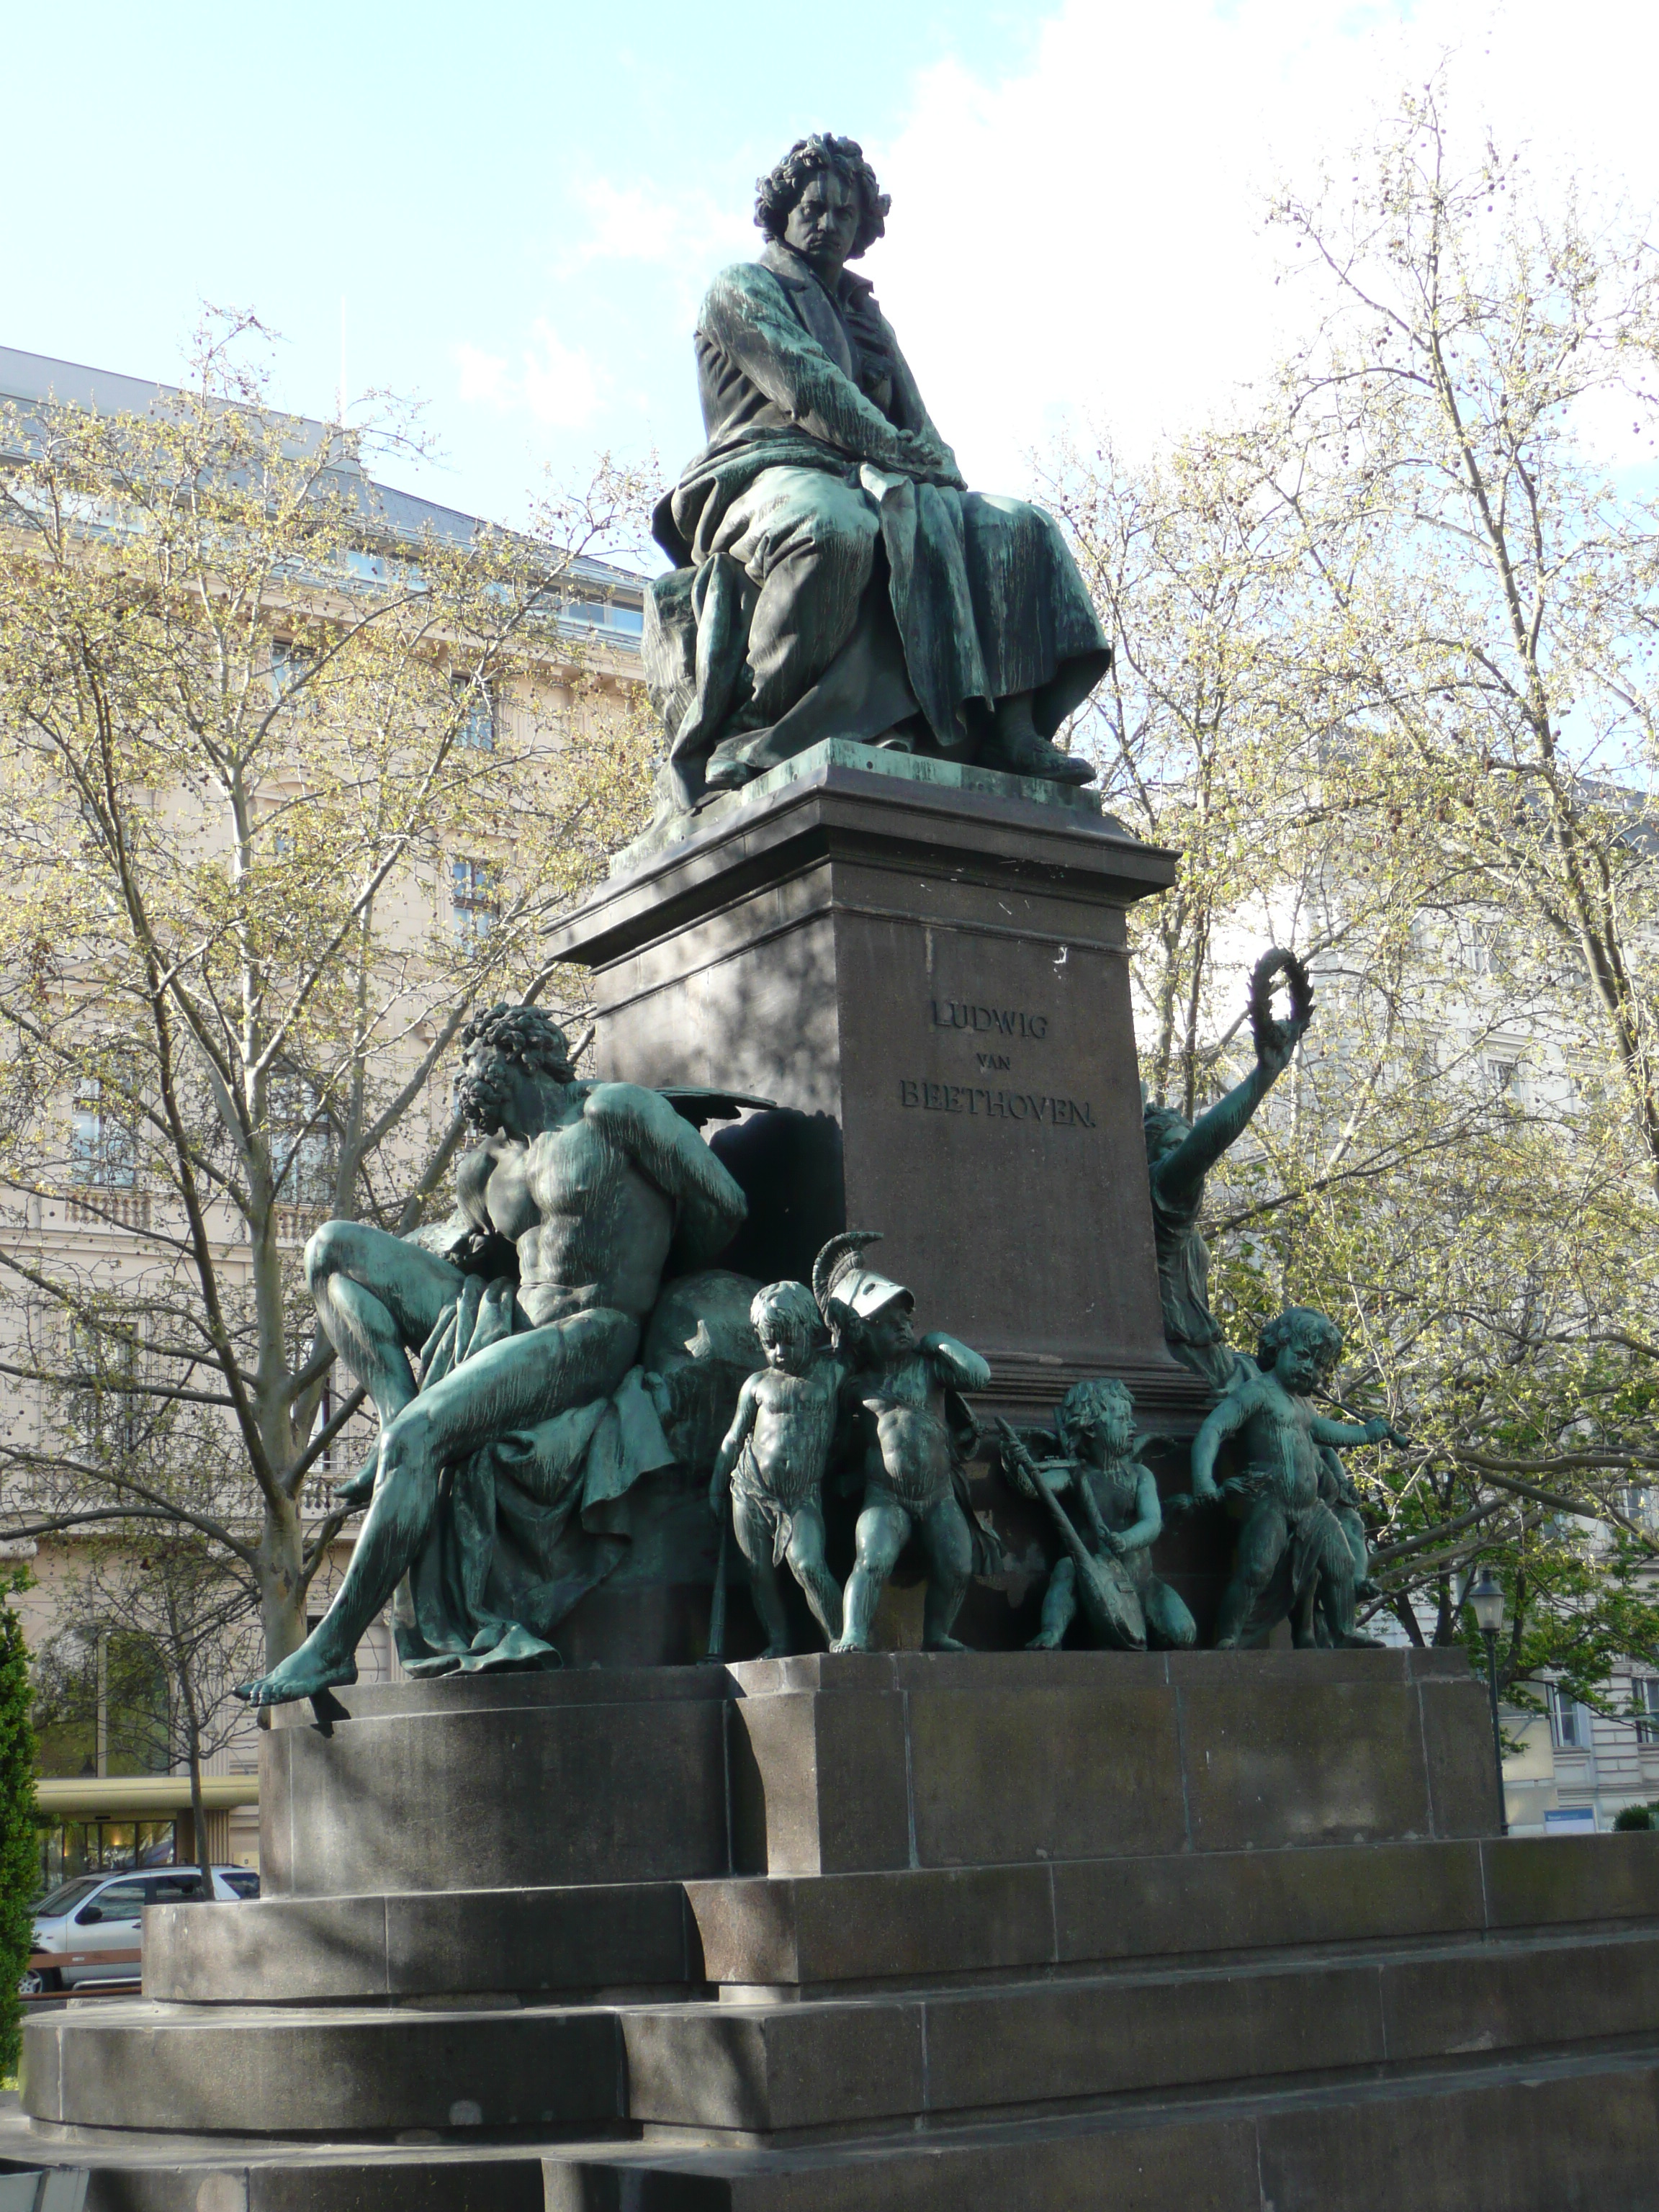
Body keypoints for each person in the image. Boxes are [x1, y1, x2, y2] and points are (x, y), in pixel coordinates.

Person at [235, 1002, 747, 1707]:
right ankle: (395, 1409)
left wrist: (658, 1281)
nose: (461, 1079)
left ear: (517, 1052)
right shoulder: (486, 1168)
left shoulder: (614, 1113)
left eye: (470, 1059)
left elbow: (725, 1204)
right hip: (504, 1315)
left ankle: (331, 1649)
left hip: (592, 1328)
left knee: (419, 1441)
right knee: (332, 1249)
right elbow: (461, 1245)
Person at [647, 133, 1113, 806]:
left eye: (846, 213)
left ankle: (1012, 729)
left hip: (876, 471)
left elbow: (920, 423)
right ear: (782, 212)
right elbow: (810, 388)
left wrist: (940, 473)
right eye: (814, 208)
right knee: (832, 529)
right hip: (762, 472)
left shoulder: (865, 316)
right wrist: (897, 451)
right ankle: (754, 725)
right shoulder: (740, 288)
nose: (829, 224)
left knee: (1018, 528)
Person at [815, 1233, 994, 1653]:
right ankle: (854, 1633)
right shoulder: (855, 1384)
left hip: (939, 1495)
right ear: (861, 1331)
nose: (903, 1327)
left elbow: (980, 1375)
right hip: (885, 1496)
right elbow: (831, 1435)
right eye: (888, 1321)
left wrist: (942, 1341)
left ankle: (937, 1634)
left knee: (957, 1564)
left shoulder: (930, 1368)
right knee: (871, 1559)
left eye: (907, 1320)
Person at [1144, 950, 1313, 1392]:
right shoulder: (1157, 1191)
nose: (1184, 1153)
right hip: (1183, 1367)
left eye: (1184, 1141)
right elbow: (1205, 1143)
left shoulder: (1178, 1225)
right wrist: (1263, 1076)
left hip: (1205, 1358)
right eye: (1172, 1145)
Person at [1190, 1306, 1402, 1649]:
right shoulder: (1258, 1391)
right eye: (1303, 1356)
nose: (1309, 1368)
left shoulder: (1304, 1405)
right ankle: (1228, 1636)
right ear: (1279, 1347)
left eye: (1318, 1364)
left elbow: (1326, 1432)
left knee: (1342, 1564)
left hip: (1310, 1507)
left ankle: (1343, 1631)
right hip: (1270, 1501)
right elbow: (1214, 1428)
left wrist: (1367, 1433)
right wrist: (1203, 1480)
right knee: (1256, 1570)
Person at [709, 1280, 844, 1655]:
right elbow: (733, 1439)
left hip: (801, 1496)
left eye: (788, 1341)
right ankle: (778, 1642)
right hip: (749, 1488)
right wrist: (716, 1487)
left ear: (810, 1330)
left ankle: (842, 1638)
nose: (780, 1352)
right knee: (758, 1572)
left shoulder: (833, 1374)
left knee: (808, 1564)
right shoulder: (757, 1384)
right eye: (770, 1344)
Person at [1016, 1379, 1196, 1653]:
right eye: (1122, 1419)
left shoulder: (1139, 1475)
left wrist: (1126, 1540)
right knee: (1066, 1568)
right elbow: (1035, 1487)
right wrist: (1019, 1464)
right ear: (1090, 1428)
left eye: (1130, 1418)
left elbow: (1152, 1522)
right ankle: (1052, 1631)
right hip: (1093, 1582)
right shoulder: (1073, 1474)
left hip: (1143, 1584)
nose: (1132, 1425)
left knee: (1184, 1634)